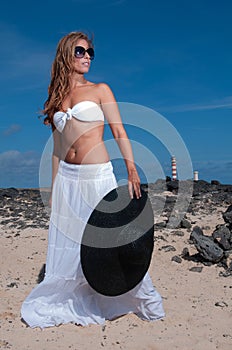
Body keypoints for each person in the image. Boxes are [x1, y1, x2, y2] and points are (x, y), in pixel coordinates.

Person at [21, 31, 165, 328]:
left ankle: (133, 295)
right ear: (66, 54)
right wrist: (52, 185)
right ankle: (77, 292)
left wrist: (132, 169)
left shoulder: (101, 90)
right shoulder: (56, 97)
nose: (87, 56)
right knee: (72, 243)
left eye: (90, 52)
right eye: (80, 51)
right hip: (67, 181)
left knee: (107, 241)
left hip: (97, 176)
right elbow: (57, 149)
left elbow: (119, 132)